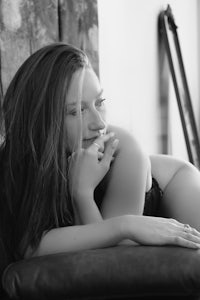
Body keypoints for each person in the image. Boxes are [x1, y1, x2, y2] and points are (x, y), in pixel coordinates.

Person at [0, 43, 200, 261]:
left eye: (100, 102)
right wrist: (122, 224)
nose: (99, 122)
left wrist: (82, 194)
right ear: (40, 121)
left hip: (173, 184)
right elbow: (30, 246)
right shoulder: (17, 163)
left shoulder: (124, 148)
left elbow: (107, 261)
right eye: (77, 111)